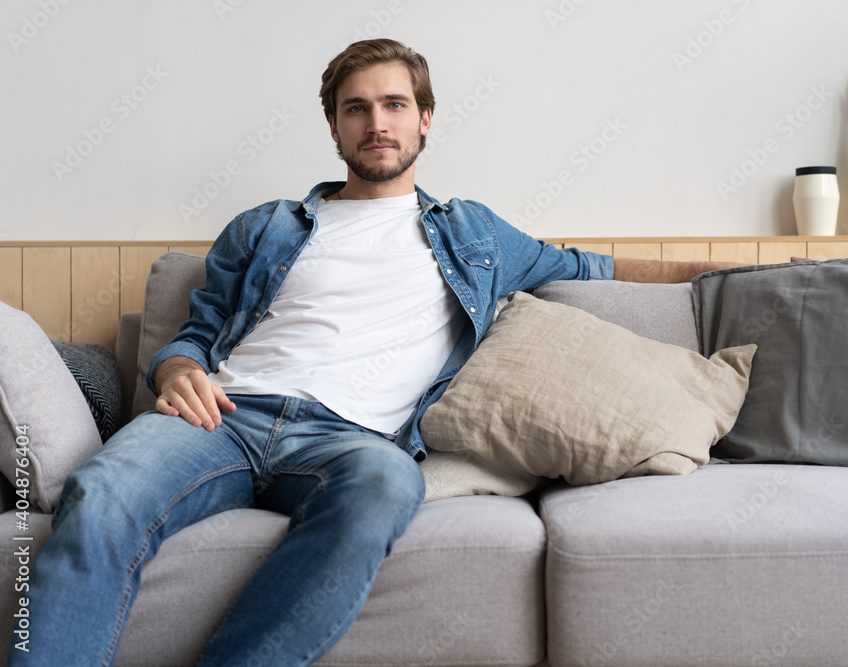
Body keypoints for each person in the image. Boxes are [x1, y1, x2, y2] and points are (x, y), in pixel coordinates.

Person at [11, 39, 671, 666]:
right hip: (224, 415)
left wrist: (739, 274)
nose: (376, 123)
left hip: (348, 439)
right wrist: (175, 366)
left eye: (394, 105)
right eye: (356, 108)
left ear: (425, 120)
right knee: (99, 493)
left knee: (388, 482)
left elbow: (595, 265)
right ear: (334, 126)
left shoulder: (476, 233)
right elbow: (198, 329)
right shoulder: (266, 225)